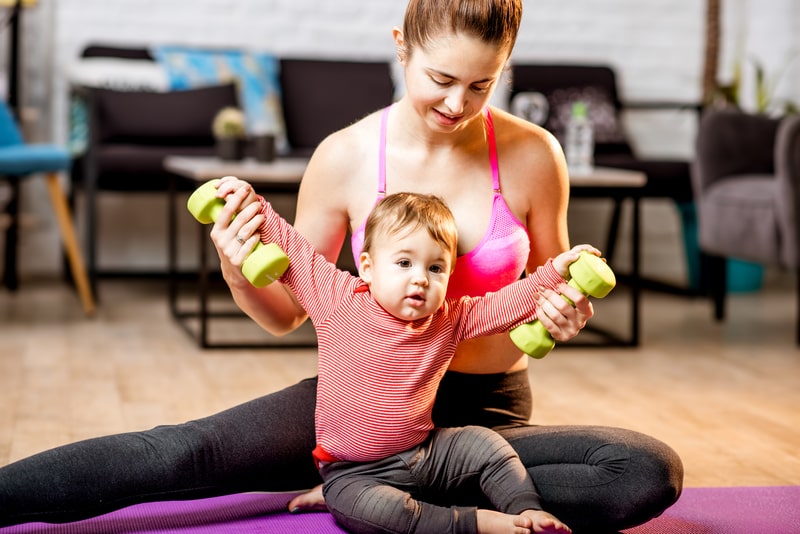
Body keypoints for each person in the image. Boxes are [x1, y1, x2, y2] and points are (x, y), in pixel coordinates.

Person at [0, 0, 682, 531]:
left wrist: (565, 314)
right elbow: (286, 312)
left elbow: (549, 286)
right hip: (358, 411)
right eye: (440, 79)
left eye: (482, 84)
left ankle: (385, 499)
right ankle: (372, 488)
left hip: (486, 418)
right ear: (400, 47)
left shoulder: (536, 156)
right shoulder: (346, 156)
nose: (457, 104)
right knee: (184, 453)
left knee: (645, 470)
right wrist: (240, 266)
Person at [255, 189, 574, 533]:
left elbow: (505, 303)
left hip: (427, 454)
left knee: (486, 444)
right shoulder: (338, 299)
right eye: (404, 263)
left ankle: (528, 510)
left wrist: (556, 270)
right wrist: (252, 204)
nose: (421, 277)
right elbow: (296, 251)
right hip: (353, 472)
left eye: (436, 267)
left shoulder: (450, 318)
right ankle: (476, 523)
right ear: (368, 268)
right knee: (371, 510)